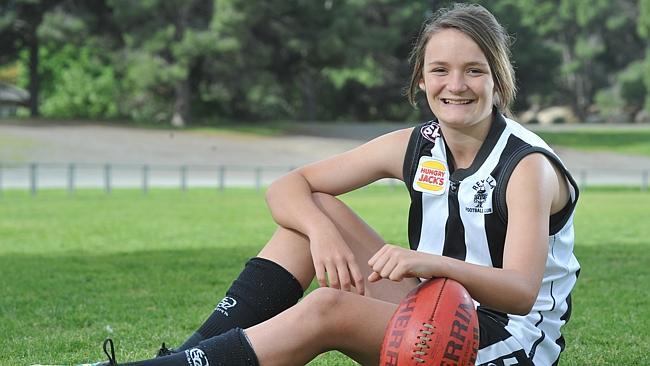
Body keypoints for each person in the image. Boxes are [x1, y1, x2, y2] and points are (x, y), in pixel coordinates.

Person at [85, 3, 580, 366]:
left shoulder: (525, 166)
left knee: (328, 309)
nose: (457, 85)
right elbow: (287, 187)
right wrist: (322, 235)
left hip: (505, 342)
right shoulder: (415, 144)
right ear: (421, 81)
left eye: (475, 70)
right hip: (435, 305)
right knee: (310, 214)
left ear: (499, 78)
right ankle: (187, 358)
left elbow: (519, 291)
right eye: (440, 70)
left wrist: (427, 261)